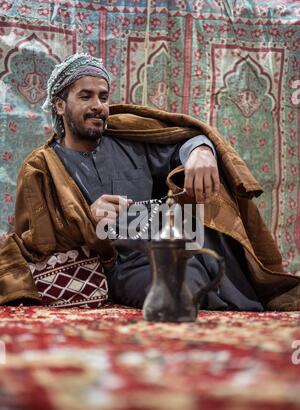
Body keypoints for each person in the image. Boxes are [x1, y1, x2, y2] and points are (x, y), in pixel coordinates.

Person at [0, 53, 299, 310]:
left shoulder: (130, 139)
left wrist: (201, 151)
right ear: (60, 105)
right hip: (123, 265)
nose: (98, 106)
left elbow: (179, 140)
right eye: (85, 96)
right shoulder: (40, 167)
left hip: (180, 244)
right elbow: (36, 243)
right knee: (180, 289)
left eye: (103, 97)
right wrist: (89, 220)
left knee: (216, 260)